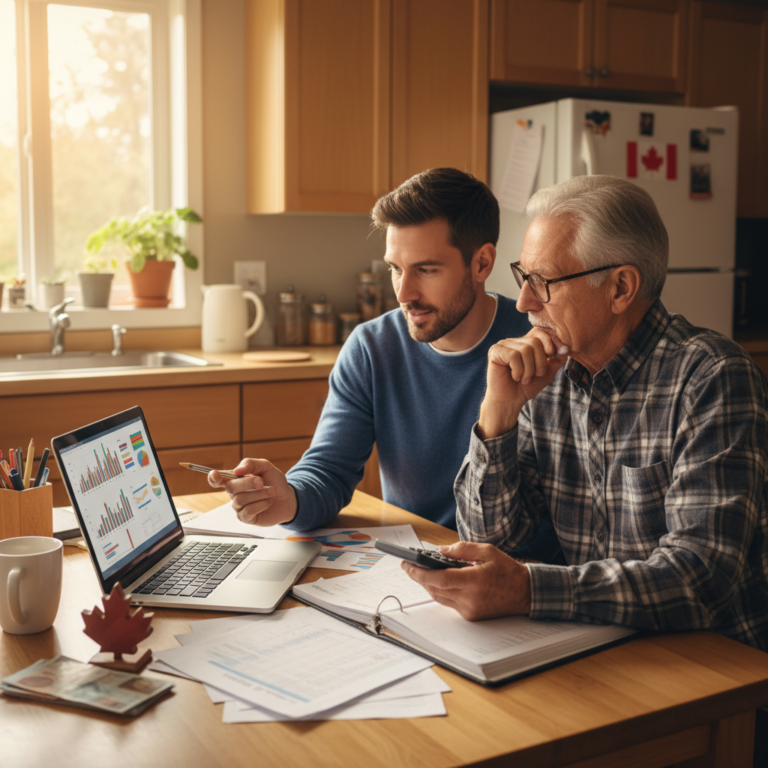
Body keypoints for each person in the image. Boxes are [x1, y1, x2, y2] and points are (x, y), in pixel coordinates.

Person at [402, 174, 768, 650]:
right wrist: (498, 414)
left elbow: (701, 578)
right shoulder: (549, 375)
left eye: (542, 282)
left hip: (713, 664)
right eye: (523, 277)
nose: (524, 302)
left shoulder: (712, 377)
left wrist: (529, 590)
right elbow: (492, 539)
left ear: (620, 288)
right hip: (597, 646)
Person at [209, 168, 560, 561]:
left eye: (426, 270)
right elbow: (329, 469)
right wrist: (288, 499)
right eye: (395, 268)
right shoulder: (372, 348)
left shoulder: (542, 346)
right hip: (416, 564)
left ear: (481, 263)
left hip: (523, 573)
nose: (404, 292)